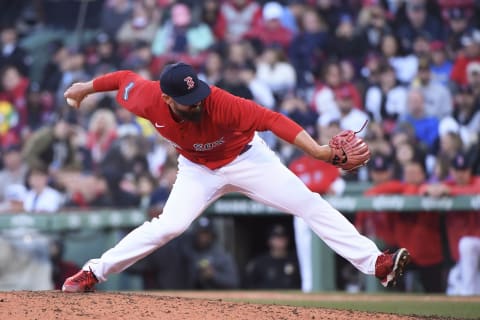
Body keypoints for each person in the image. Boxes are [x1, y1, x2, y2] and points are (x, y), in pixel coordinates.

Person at [61, 62, 409, 293]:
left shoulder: (219, 102)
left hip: (247, 159)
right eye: (187, 101)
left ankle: (376, 263)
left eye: (197, 95)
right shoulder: (147, 98)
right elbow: (122, 78)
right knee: (169, 226)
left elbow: (273, 120)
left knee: (308, 203)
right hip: (197, 169)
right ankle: (94, 272)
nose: (197, 104)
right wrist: (85, 87)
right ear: (166, 98)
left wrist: (318, 151)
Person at [244, 224, 300, 289]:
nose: (280, 241)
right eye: (276, 238)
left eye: (282, 237)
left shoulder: (295, 261)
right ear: (269, 240)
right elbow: (249, 285)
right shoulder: (260, 262)